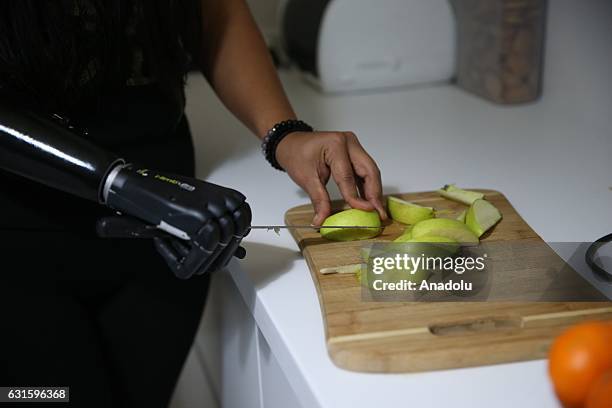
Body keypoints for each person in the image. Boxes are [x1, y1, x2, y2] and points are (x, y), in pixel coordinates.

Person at [0, 1, 386, 406]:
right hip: (18, 254)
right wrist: (118, 181)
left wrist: (284, 134)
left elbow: (219, 12)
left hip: (168, 240)